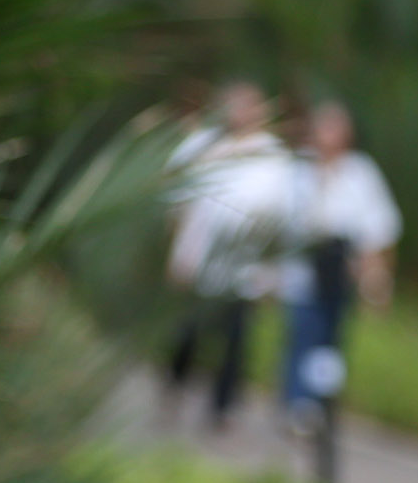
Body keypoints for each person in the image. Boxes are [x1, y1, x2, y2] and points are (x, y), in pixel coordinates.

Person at [164, 89, 294, 433]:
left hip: (244, 268)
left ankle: (222, 409)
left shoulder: (273, 157)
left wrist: (271, 273)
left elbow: (279, 219)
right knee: (189, 332)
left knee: (236, 338)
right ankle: (174, 388)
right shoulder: (203, 145)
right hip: (199, 260)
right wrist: (179, 253)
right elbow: (177, 202)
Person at [277, 100, 401, 434]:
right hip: (303, 268)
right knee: (302, 334)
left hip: (340, 270)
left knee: (330, 340)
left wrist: (374, 275)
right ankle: (297, 402)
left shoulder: (360, 172)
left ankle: (322, 401)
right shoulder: (299, 170)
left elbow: (378, 227)